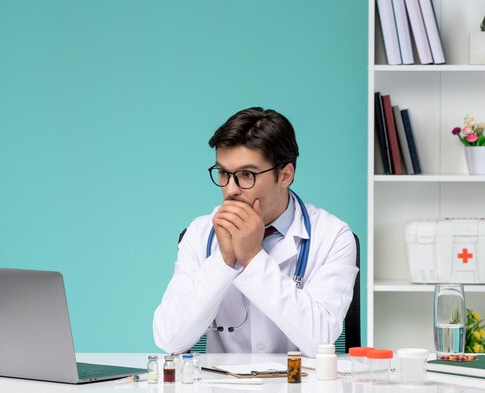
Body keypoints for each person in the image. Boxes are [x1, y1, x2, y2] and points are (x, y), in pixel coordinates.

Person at [152, 107, 358, 357]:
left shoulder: (333, 236)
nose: (230, 190)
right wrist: (224, 261)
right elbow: (169, 339)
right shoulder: (199, 234)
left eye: (246, 175)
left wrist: (252, 258)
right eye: (223, 173)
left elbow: (321, 342)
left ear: (285, 175)